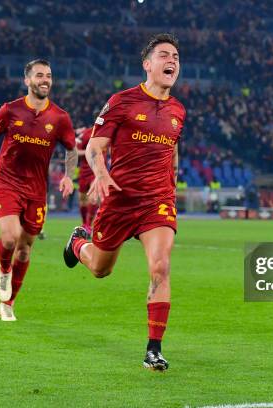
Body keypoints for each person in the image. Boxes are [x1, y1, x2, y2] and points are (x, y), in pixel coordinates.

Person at [63, 33, 185, 371]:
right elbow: (94, 148)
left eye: (175, 55)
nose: (171, 60)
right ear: (147, 64)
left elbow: (172, 147)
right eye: (163, 55)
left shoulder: (178, 110)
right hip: (119, 199)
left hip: (156, 202)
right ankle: (77, 244)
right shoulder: (122, 101)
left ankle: (154, 349)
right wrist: (101, 174)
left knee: (160, 266)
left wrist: (172, 179)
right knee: (102, 269)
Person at [0, 59, 78, 322]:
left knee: (24, 249)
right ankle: (4, 270)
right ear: (27, 80)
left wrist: (68, 176)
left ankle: (8, 303)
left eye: (49, 76)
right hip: (8, 183)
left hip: (36, 191)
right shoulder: (10, 110)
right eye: (40, 75)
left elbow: (71, 149)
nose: (45, 80)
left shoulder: (60, 117)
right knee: (10, 239)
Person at [76, 126, 99, 237]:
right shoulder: (85, 134)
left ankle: (89, 226)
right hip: (84, 171)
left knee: (93, 198)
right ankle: (85, 224)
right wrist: (88, 151)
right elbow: (75, 151)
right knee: (82, 200)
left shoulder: (107, 134)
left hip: (97, 171)